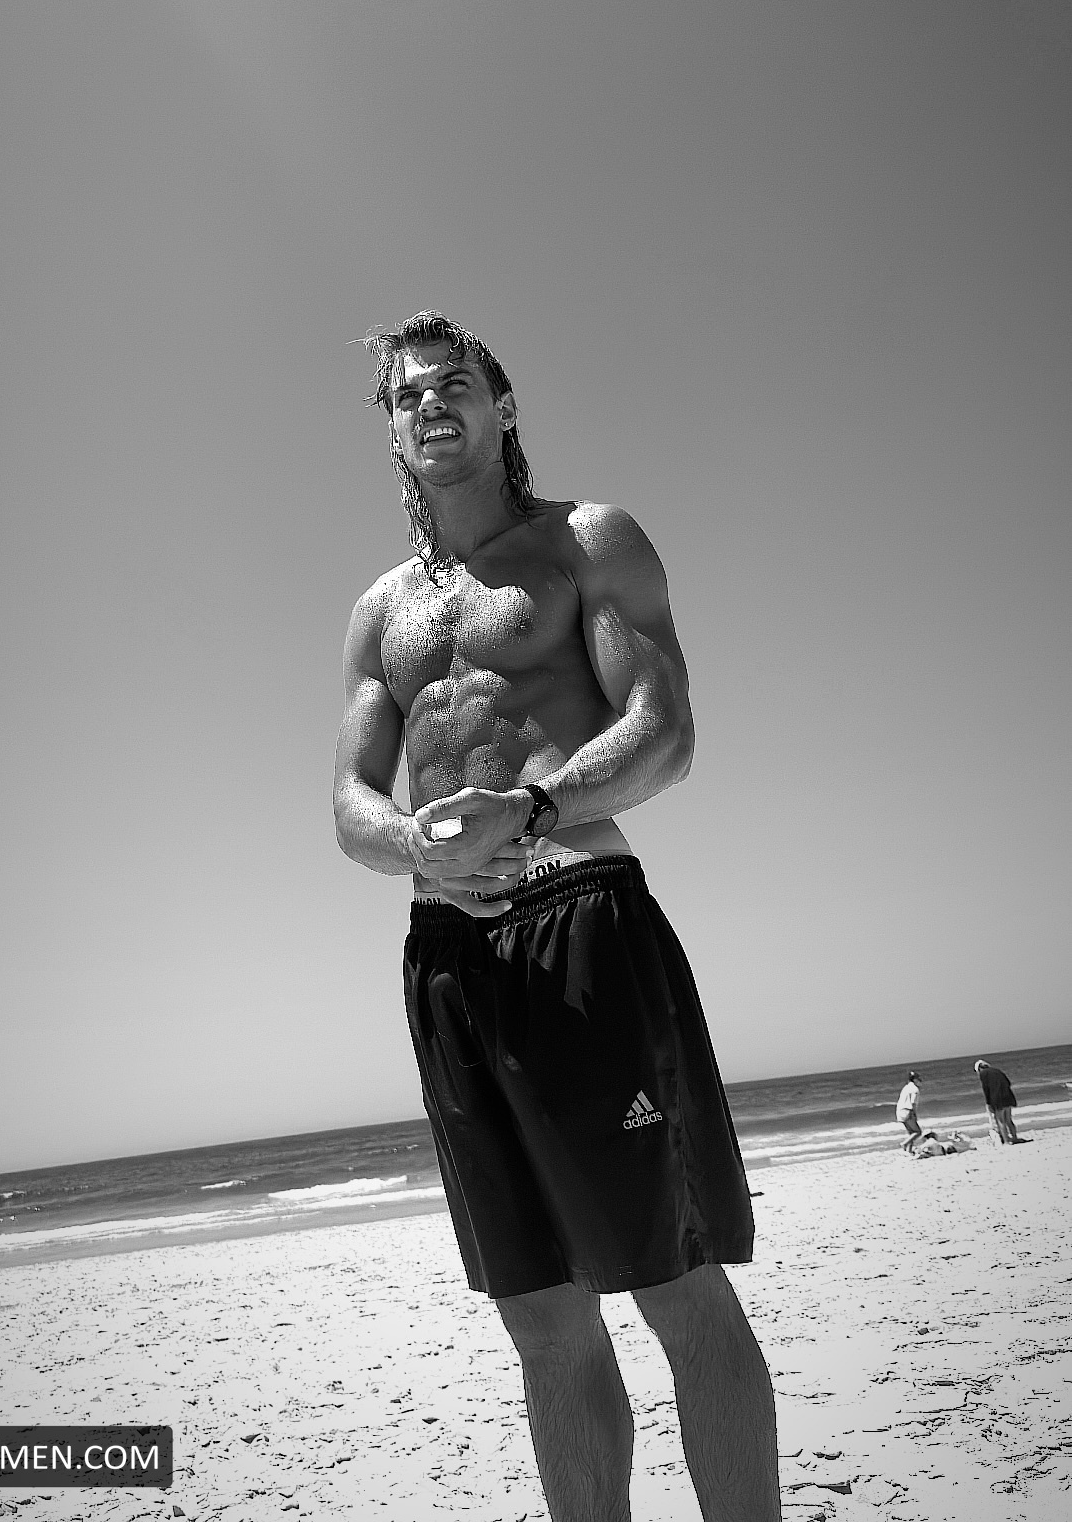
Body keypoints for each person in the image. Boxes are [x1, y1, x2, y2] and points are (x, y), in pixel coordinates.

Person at [334, 311, 781, 1522]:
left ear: (504, 406)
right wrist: (410, 841)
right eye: (407, 394)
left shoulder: (588, 540)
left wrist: (533, 805)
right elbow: (349, 803)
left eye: (454, 383)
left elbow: (665, 728)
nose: (431, 404)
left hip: (578, 917)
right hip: (447, 956)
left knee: (676, 1282)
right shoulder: (381, 612)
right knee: (541, 1317)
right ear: (391, 429)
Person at [974, 1060, 1019, 1144]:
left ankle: (1006, 1141)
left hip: (998, 1099)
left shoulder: (983, 1074)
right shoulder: (997, 1071)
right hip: (1008, 1096)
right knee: (1009, 1120)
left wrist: (988, 1103)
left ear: (979, 1069)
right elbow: (1008, 1083)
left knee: (1000, 1121)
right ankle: (1015, 1138)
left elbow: (986, 1089)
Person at [895, 1071, 922, 1149]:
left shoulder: (905, 1088)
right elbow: (913, 1103)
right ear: (914, 1079)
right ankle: (904, 1144)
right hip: (907, 1111)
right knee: (918, 1132)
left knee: (911, 1133)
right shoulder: (915, 1089)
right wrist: (915, 1114)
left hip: (900, 1111)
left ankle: (909, 1150)